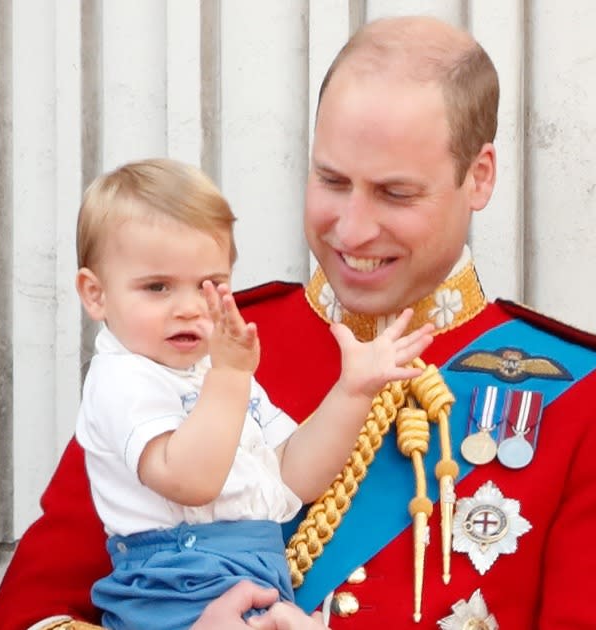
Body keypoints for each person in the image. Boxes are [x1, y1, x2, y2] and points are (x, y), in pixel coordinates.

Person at [0, 15, 596, 630]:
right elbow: (27, 614)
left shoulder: (594, 403)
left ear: (480, 176)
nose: (352, 228)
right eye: (332, 182)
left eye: (396, 193)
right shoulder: (190, 346)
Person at [71, 158, 433, 629]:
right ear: (95, 294)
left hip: (249, 571)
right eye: (157, 287)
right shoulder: (123, 378)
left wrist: (352, 392)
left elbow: (293, 474)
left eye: (211, 285)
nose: (189, 308)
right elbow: (187, 479)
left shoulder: (213, 368)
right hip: (176, 587)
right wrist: (229, 376)